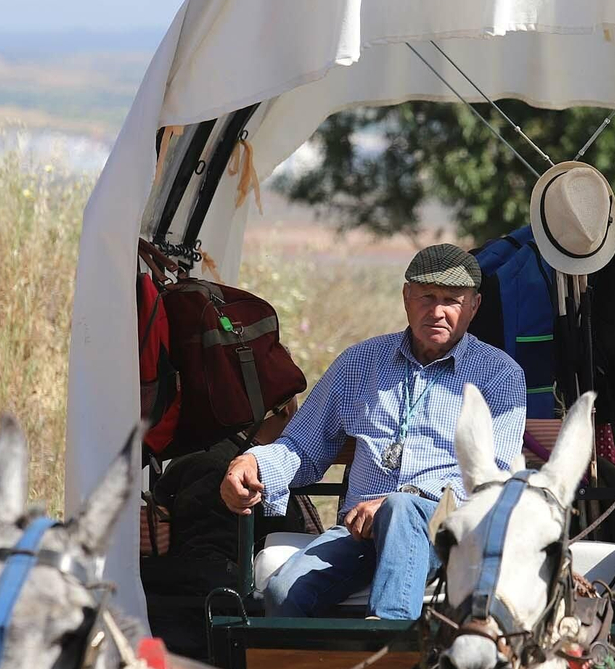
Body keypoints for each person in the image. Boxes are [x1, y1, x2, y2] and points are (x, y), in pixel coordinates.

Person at [221, 244, 526, 618]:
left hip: (449, 532)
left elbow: (493, 476)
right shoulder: (360, 363)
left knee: (400, 508)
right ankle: (320, 659)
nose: (437, 311)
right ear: (406, 297)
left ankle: (387, 642)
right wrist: (254, 463)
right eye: (427, 297)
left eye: (452, 300)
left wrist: (402, 500)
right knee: (283, 593)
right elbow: (302, 445)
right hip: (359, 532)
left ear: (474, 306)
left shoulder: (500, 375)